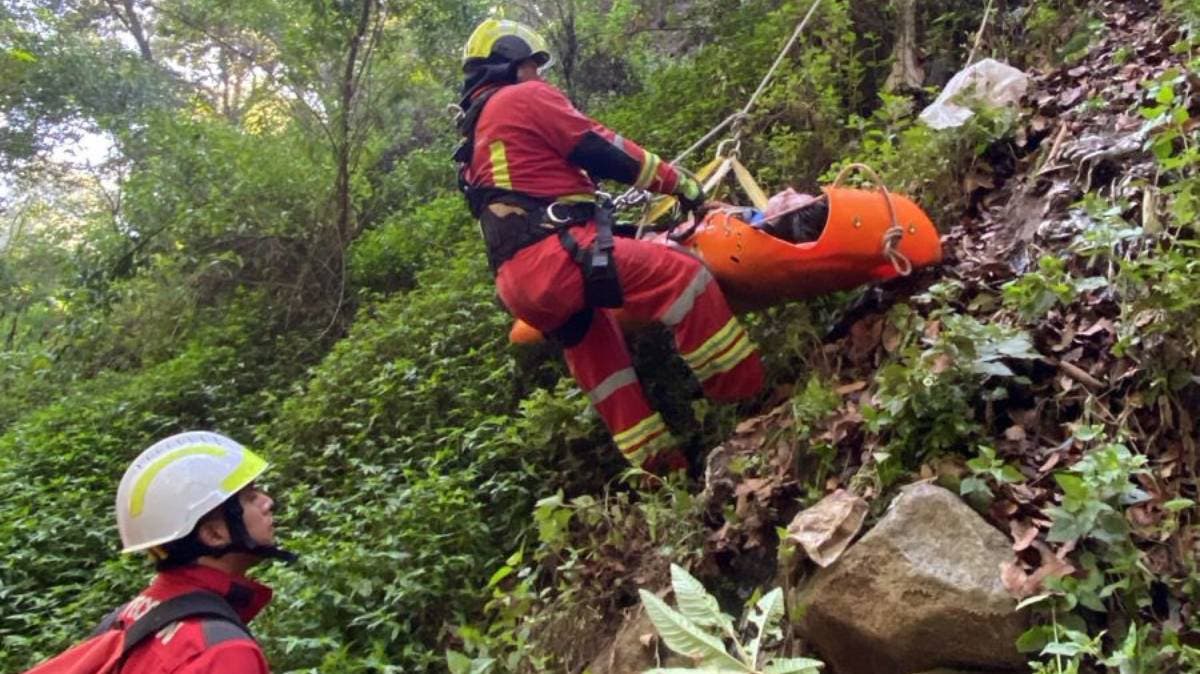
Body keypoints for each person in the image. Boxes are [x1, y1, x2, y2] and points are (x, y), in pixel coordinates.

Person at [454, 19, 764, 475]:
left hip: (519, 286)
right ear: (508, 65)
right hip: (557, 256)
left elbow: (529, 204)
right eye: (531, 66)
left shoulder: (472, 145)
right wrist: (683, 186)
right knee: (684, 276)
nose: (539, 76)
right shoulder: (522, 99)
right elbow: (603, 148)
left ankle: (664, 476)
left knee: (605, 369)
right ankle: (746, 404)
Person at [105, 431, 294, 672]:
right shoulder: (221, 652)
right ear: (214, 535)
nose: (267, 502)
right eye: (249, 498)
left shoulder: (126, 619)